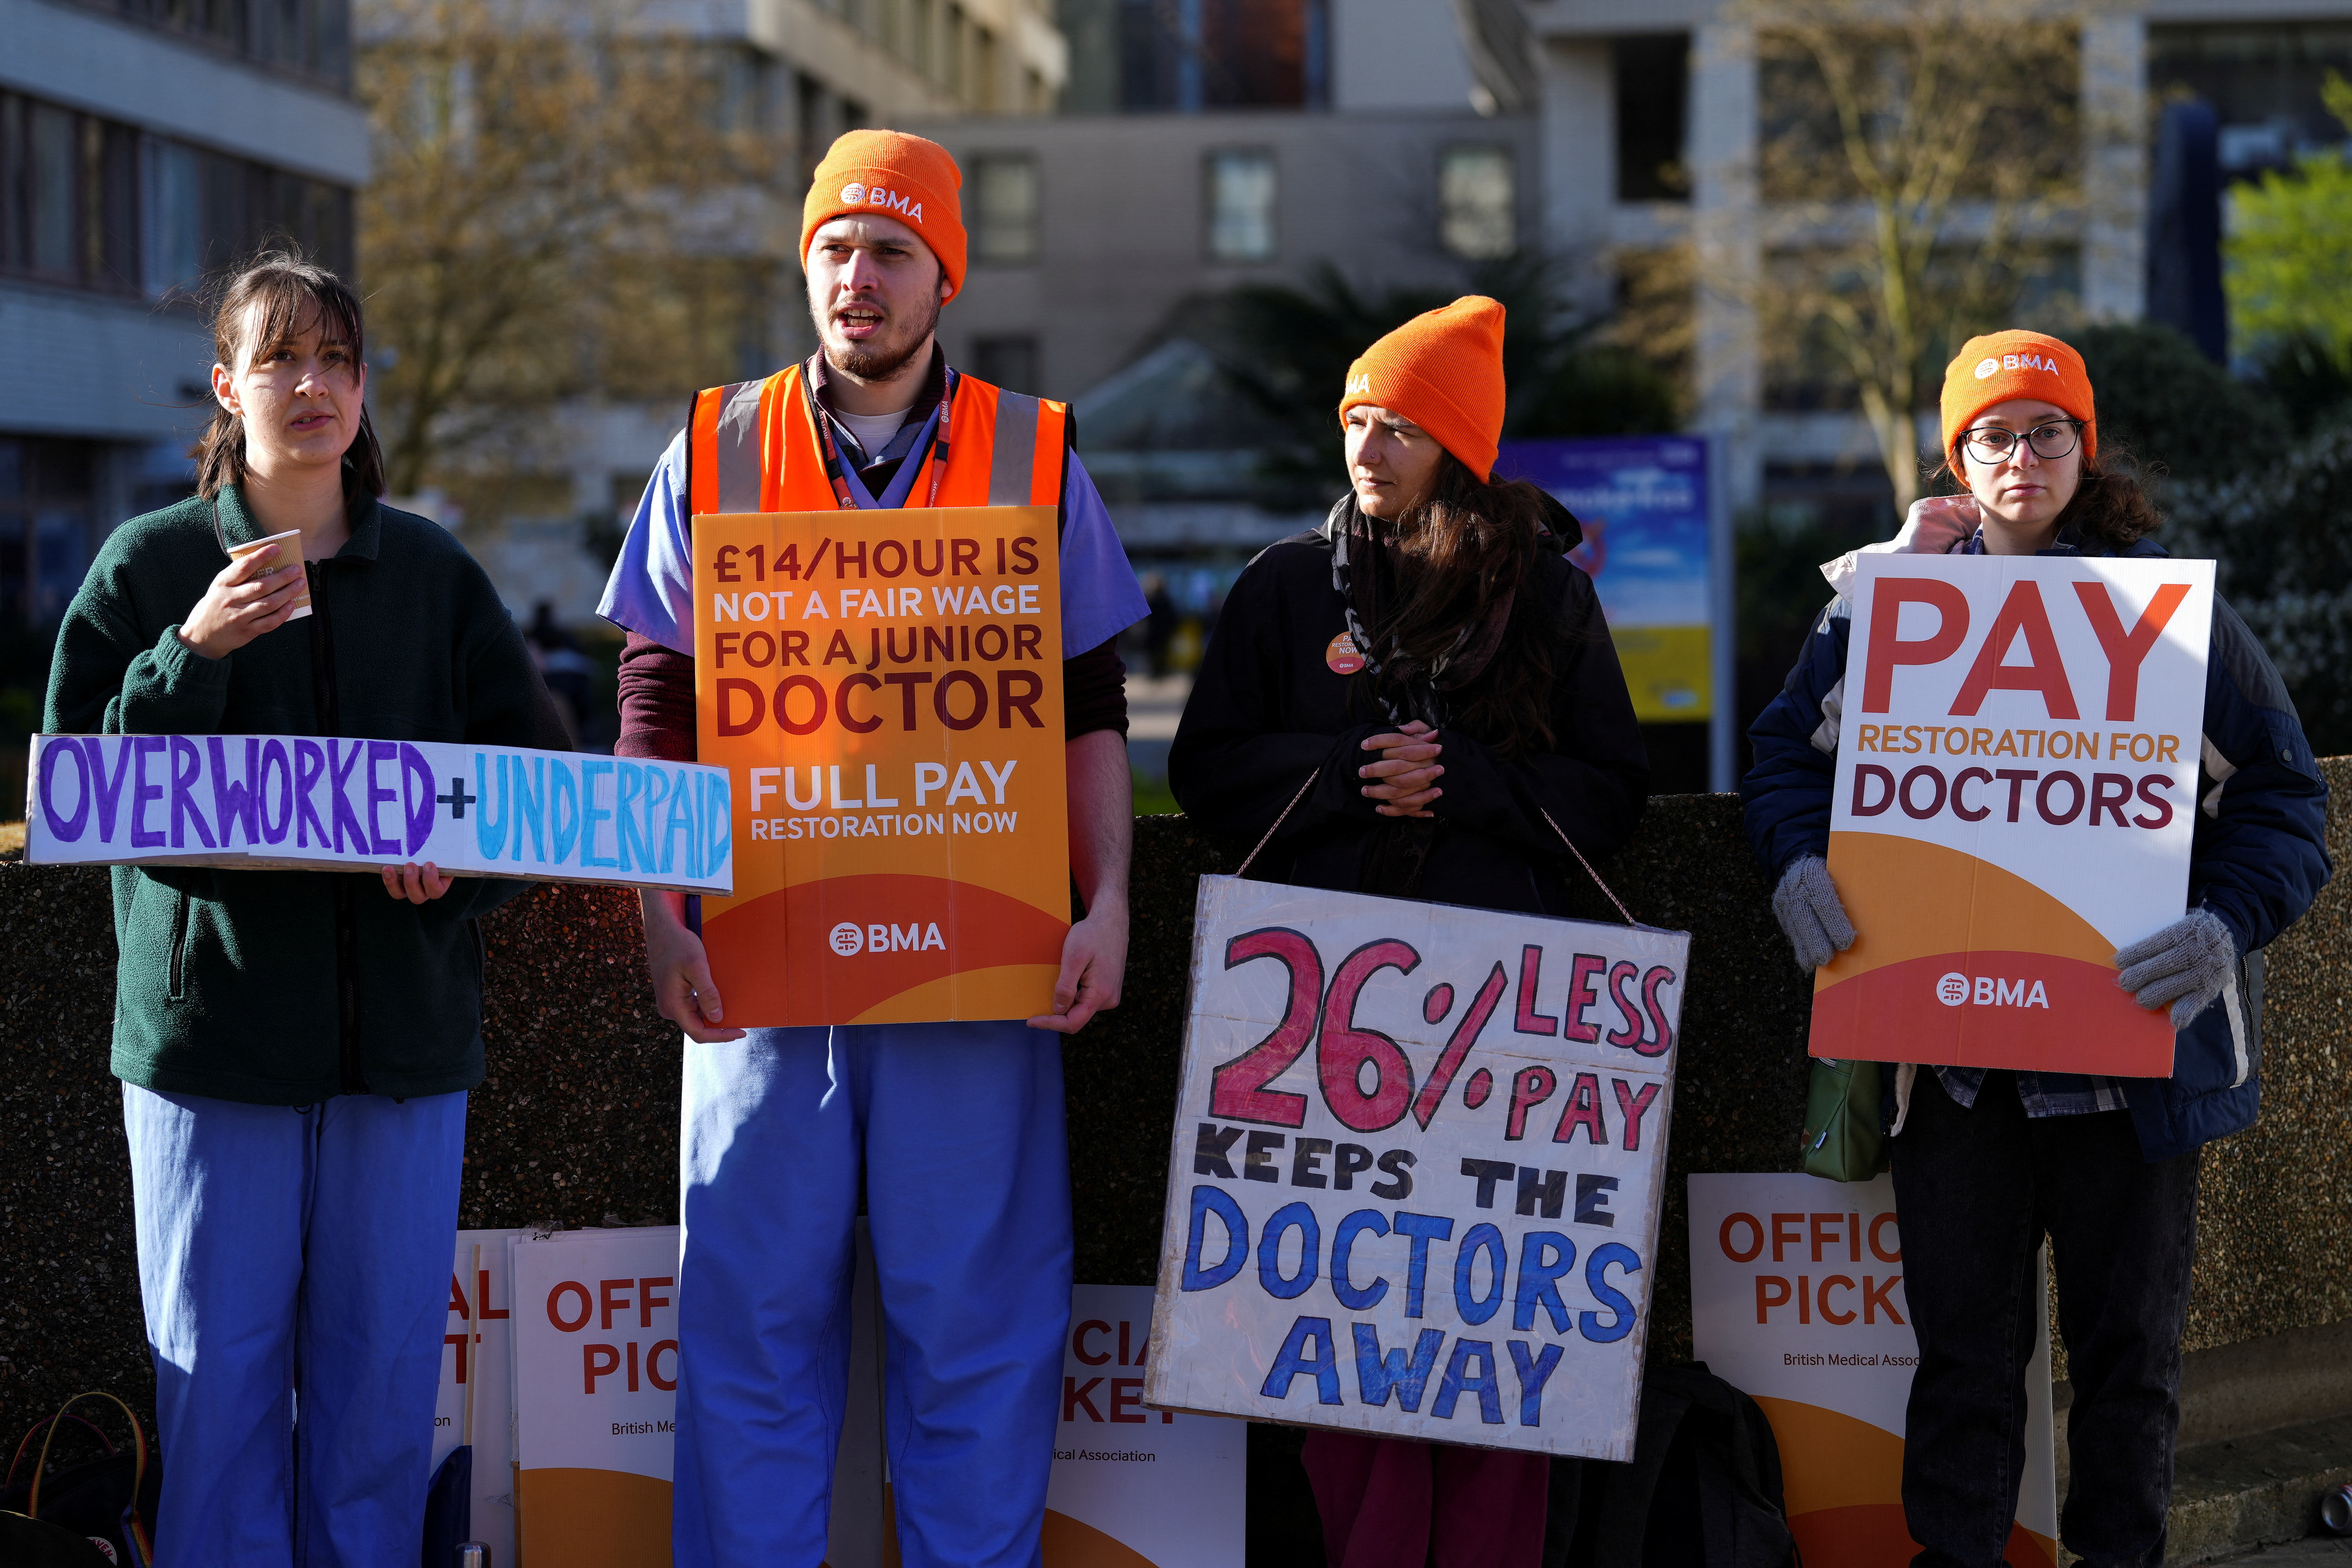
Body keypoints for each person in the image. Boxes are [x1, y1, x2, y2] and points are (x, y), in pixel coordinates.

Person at [596, 130, 1148, 1567]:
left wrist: (1113, 903)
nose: (859, 277)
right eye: (835, 248)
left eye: (892, 250)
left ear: (942, 276)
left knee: (979, 1334)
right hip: (758, 961)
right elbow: (656, 696)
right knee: (747, 1332)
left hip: (983, 959)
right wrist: (658, 914)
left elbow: (1092, 704)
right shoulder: (711, 444)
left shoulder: (1038, 449)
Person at [1743, 330, 2331, 1566]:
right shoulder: (1879, 615)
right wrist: (1799, 863)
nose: (2022, 456)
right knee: (1961, 1365)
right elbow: (1784, 763)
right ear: (1957, 457)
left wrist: (2223, 923)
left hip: (2130, 1073)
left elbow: (2284, 806)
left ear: (2085, 450)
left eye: (2047, 431)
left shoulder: (2167, 619)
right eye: (1994, 435)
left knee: (2133, 1370)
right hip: (1953, 1076)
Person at [42, 252, 570, 1564]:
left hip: (401, 1055)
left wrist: (464, 866)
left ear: (364, 387)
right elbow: (81, 790)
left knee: (382, 1391)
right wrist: (193, 650)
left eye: (338, 359)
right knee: (215, 1391)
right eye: (282, 359)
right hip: (211, 1056)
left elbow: (534, 783)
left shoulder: (437, 574)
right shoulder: (150, 562)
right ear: (229, 385)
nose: (314, 384)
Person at [1169, 296, 1651, 1568]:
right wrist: (1343, 773)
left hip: (1504, 1034)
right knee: (1346, 1366)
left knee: (1500, 1365)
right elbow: (1206, 770)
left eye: (1399, 429)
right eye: (1357, 423)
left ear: (1459, 449)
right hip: (1322, 1034)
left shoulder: (1548, 598)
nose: (1368, 450)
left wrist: (1470, 784)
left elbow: (1617, 794)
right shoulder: (1280, 587)